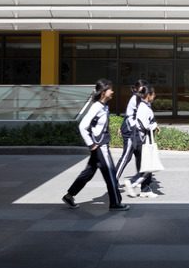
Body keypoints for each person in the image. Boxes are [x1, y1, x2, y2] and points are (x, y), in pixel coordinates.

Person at [62, 78, 129, 211]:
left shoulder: (103, 106)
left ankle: (69, 196)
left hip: (100, 145)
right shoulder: (96, 107)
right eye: (110, 89)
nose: (113, 91)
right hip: (100, 146)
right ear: (104, 92)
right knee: (111, 173)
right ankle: (115, 203)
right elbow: (82, 126)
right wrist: (91, 144)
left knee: (88, 172)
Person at [126, 85, 160, 197]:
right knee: (147, 166)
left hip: (142, 139)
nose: (154, 96)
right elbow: (144, 124)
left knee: (146, 165)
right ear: (148, 95)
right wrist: (154, 126)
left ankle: (145, 189)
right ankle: (131, 183)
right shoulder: (143, 107)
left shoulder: (145, 105)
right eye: (153, 94)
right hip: (141, 140)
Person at [116, 79, 148, 181]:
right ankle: (113, 180)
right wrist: (123, 128)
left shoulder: (140, 99)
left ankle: (144, 185)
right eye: (142, 88)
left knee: (141, 157)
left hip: (136, 132)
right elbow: (129, 116)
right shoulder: (135, 99)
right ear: (137, 89)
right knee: (126, 157)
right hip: (131, 132)